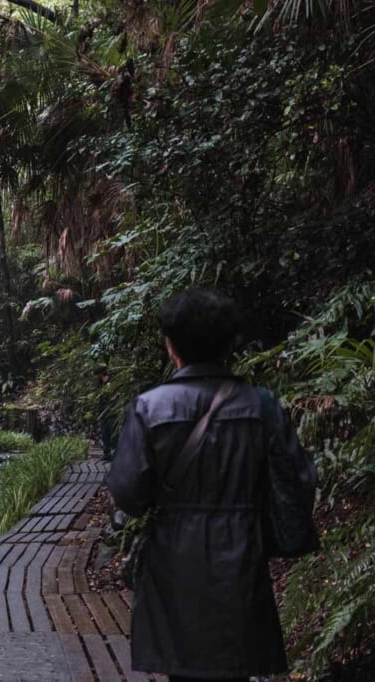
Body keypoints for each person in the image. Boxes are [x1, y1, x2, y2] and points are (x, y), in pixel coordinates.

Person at [107, 288, 315, 681]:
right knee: (235, 665)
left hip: (174, 559)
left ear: (171, 346)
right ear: (228, 344)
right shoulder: (261, 405)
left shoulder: (150, 407)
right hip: (242, 555)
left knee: (184, 666)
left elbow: (129, 494)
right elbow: (296, 481)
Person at [94, 367, 117, 460]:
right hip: (103, 411)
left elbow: (113, 397)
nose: (97, 377)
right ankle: (106, 453)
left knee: (112, 432)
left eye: (97, 375)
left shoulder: (110, 382)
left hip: (111, 411)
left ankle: (115, 453)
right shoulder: (100, 384)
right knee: (104, 433)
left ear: (101, 374)